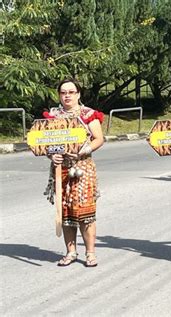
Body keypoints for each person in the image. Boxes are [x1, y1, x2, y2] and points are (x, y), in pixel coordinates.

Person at [44, 78, 104, 267]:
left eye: (71, 92)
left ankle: (90, 253)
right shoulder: (53, 117)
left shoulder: (88, 115)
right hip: (61, 169)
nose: (67, 95)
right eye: (63, 92)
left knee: (85, 211)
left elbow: (99, 139)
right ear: (59, 95)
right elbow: (44, 143)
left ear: (78, 94)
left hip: (83, 169)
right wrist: (52, 156)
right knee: (66, 212)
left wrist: (82, 151)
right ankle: (71, 252)